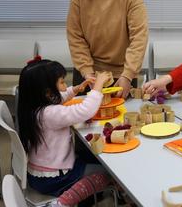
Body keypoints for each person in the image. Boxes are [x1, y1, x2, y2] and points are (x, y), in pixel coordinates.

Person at [17, 57, 113, 207]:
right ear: (47, 92)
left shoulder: (34, 107)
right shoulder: (49, 114)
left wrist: (76, 89)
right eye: (62, 82)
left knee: (91, 157)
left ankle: (81, 197)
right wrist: (98, 86)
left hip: (42, 174)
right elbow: (85, 111)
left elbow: (59, 97)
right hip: (54, 179)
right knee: (108, 174)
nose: (65, 85)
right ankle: (63, 202)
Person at [67, 0, 148, 98]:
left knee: (122, 121)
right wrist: (87, 72)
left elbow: (138, 38)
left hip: (121, 75)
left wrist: (128, 75)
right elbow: (75, 37)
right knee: (85, 121)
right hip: (88, 75)